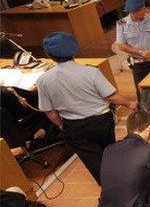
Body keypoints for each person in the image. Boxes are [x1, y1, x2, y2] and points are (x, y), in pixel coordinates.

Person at [37, 32, 137, 184]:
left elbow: (49, 111)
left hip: (74, 126)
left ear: (49, 55)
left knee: (94, 162)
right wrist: (130, 104)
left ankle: (109, 189)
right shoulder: (91, 72)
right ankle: (123, 181)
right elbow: (111, 96)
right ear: (74, 50)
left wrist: (61, 125)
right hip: (101, 121)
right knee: (109, 152)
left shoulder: (43, 80)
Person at [116, 0, 150, 94]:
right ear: (132, 12)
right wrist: (140, 52)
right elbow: (120, 45)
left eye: (144, 8)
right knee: (142, 91)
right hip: (138, 63)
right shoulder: (122, 24)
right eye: (139, 10)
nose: (143, 12)